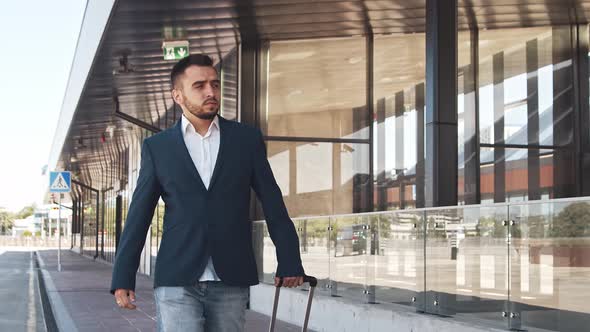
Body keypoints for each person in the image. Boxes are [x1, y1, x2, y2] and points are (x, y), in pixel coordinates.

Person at [110, 54, 305, 331]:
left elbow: (272, 202)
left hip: (231, 275)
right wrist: (123, 276)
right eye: (199, 86)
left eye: (214, 84)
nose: (210, 92)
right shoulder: (158, 147)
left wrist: (290, 260)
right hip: (177, 275)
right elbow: (139, 214)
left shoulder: (245, 139)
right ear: (177, 95)